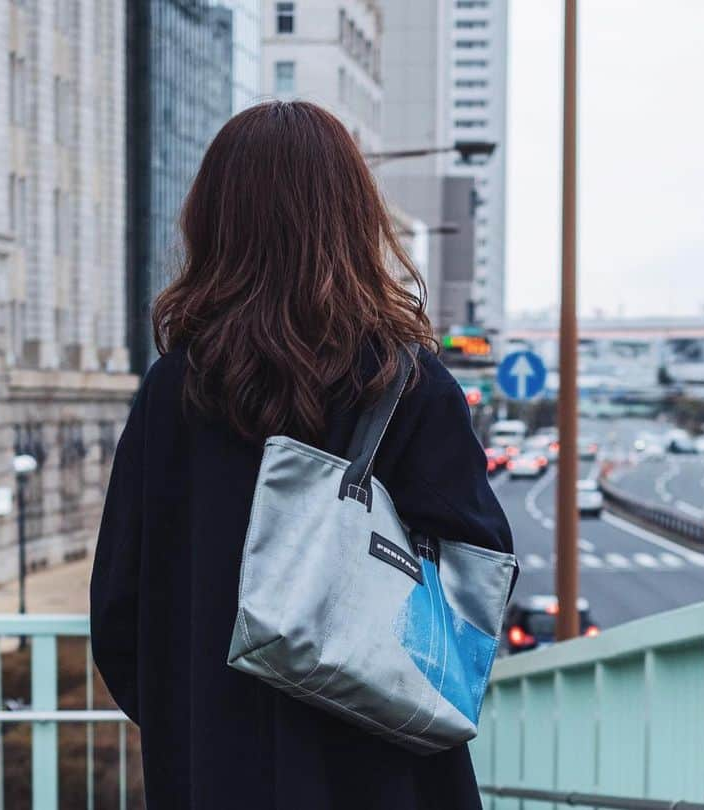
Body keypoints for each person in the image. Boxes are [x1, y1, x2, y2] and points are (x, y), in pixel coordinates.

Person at [90, 101, 513, 810]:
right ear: (355, 217)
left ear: (214, 219)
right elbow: (477, 579)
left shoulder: (177, 389)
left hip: (214, 766)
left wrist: (195, 716)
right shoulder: (409, 383)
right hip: (387, 767)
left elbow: (118, 606)